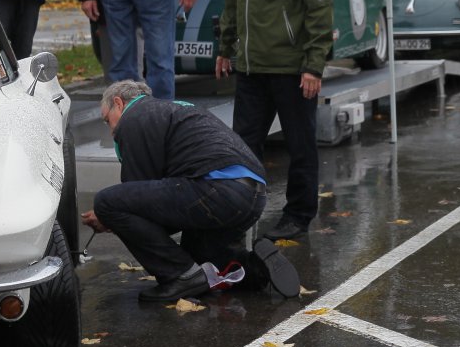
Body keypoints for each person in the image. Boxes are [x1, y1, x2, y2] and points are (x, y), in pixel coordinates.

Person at [82, 80, 300, 303]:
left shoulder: (134, 117)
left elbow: (135, 201)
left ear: (119, 103)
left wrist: (108, 219)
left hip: (215, 189)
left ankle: (181, 276)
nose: (111, 131)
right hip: (252, 193)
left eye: (107, 120)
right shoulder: (178, 108)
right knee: (200, 262)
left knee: (106, 202)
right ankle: (251, 268)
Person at [213, 0, 334, 241]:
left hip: (292, 67)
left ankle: (299, 214)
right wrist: (225, 47)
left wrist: (313, 65)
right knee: (241, 146)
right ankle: (240, 211)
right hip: (251, 67)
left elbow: (319, 6)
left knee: (300, 145)